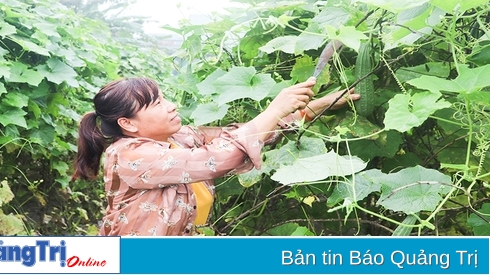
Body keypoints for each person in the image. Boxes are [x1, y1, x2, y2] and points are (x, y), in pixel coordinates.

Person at [72, 76, 359, 236]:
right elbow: (219, 157)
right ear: (128, 124)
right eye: (158, 104)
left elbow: (244, 133)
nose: (171, 107)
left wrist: (318, 106)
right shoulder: (131, 155)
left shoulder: (178, 138)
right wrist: (273, 109)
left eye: (165, 98)